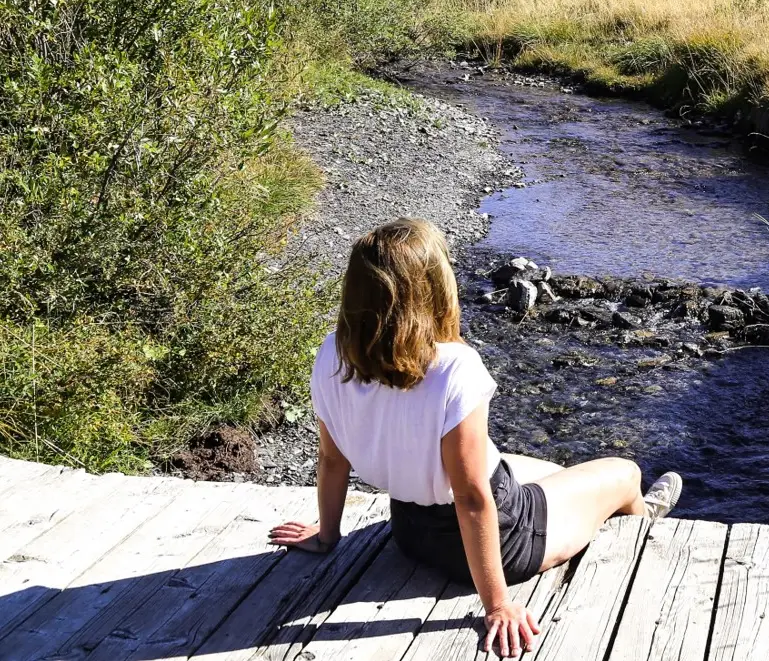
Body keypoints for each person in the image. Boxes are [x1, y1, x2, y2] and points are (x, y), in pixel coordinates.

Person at [270, 218, 681, 658]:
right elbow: (470, 498)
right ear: (434, 288)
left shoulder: (333, 353)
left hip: (410, 531)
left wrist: (327, 535)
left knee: (547, 469)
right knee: (624, 472)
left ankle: (587, 505)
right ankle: (640, 526)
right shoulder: (454, 367)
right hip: (503, 543)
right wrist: (498, 604)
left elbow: (333, 461)